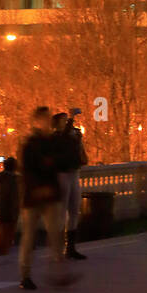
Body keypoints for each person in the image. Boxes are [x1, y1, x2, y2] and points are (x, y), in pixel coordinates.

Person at [18, 106, 64, 290]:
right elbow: (27, 169)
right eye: (44, 119)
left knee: (55, 235)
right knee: (30, 237)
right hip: (34, 196)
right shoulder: (30, 143)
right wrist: (39, 186)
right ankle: (25, 275)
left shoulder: (51, 142)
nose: (47, 122)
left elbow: (58, 162)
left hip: (49, 195)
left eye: (48, 119)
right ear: (37, 121)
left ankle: (58, 272)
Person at [52, 110, 88, 261]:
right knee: (62, 211)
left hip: (74, 172)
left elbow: (77, 145)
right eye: (64, 120)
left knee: (74, 210)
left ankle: (70, 247)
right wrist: (71, 120)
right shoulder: (55, 136)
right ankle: (59, 248)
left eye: (67, 120)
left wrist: (83, 153)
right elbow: (63, 140)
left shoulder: (72, 134)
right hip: (62, 173)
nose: (67, 122)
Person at [0, 156, 20, 256]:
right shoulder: (13, 180)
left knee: (1, 243)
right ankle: (0, 264)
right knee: (4, 244)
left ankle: (0, 261)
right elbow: (14, 199)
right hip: (7, 216)